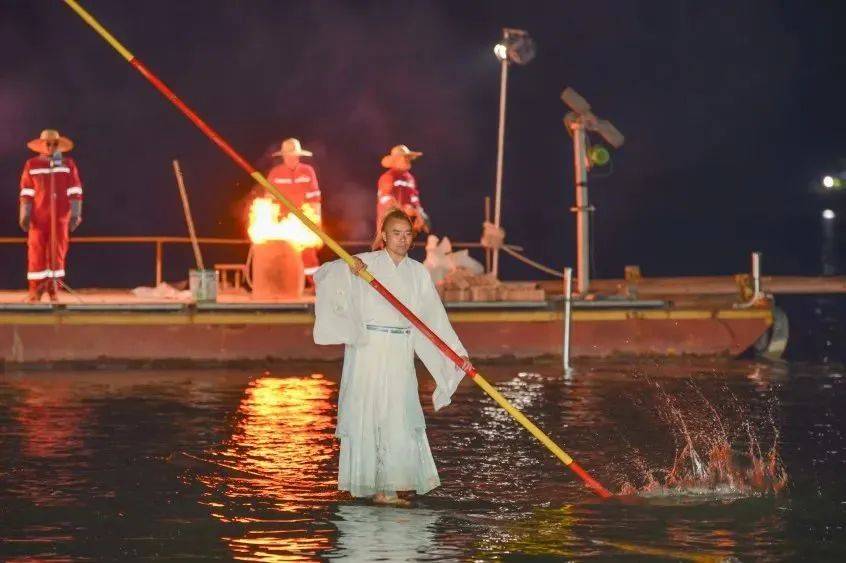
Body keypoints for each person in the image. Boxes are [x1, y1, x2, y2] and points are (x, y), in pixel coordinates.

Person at [313, 209, 471, 506]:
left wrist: (456, 354)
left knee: (399, 412)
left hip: (400, 349)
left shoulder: (418, 272)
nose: (402, 239)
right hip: (369, 349)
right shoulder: (365, 263)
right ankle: (377, 486)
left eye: (407, 234)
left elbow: (433, 318)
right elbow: (323, 274)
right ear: (384, 236)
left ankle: (393, 484)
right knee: (370, 410)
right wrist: (348, 271)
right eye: (396, 233)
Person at [18, 129, 83, 302]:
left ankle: (54, 288)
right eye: (48, 143)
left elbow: (75, 190)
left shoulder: (68, 164)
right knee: (36, 252)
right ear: (41, 145)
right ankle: (36, 289)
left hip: (60, 217)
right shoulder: (32, 164)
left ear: (59, 145)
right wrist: (25, 214)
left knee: (58, 252)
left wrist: (76, 214)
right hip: (38, 217)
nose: (51, 147)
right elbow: (26, 191)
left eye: (55, 144)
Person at [266, 138, 322, 279]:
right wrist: (269, 224)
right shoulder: (275, 173)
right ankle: (284, 284)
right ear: (283, 156)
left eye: (293, 155)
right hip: (282, 222)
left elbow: (315, 199)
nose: (291, 158)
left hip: (304, 219)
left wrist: (317, 222)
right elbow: (269, 201)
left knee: (308, 255)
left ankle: (314, 284)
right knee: (281, 255)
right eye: (288, 155)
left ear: (298, 155)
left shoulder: (308, 171)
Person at [377, 145, 430, 236]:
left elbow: (414, 199)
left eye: (408, 157)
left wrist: (419, 215)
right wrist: (403, 210)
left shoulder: (410, 178)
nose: (407, 160)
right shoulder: (388, 177)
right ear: (395, 160)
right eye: (404, 157)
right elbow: (385, 200)